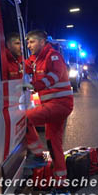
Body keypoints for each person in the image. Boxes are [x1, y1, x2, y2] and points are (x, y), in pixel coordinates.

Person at [23, 30, 73, 185]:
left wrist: (33, 85)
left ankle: (37, 156)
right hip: (54, 105)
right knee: (53, 142)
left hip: (59, 105)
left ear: (42, 42)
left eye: (32, 42)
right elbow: (23, 66)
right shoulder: (36, 58)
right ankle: (61, 183)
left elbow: (54, 76)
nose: (28, 45)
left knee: (24, 118)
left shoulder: (53, 56)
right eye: (28, 42)